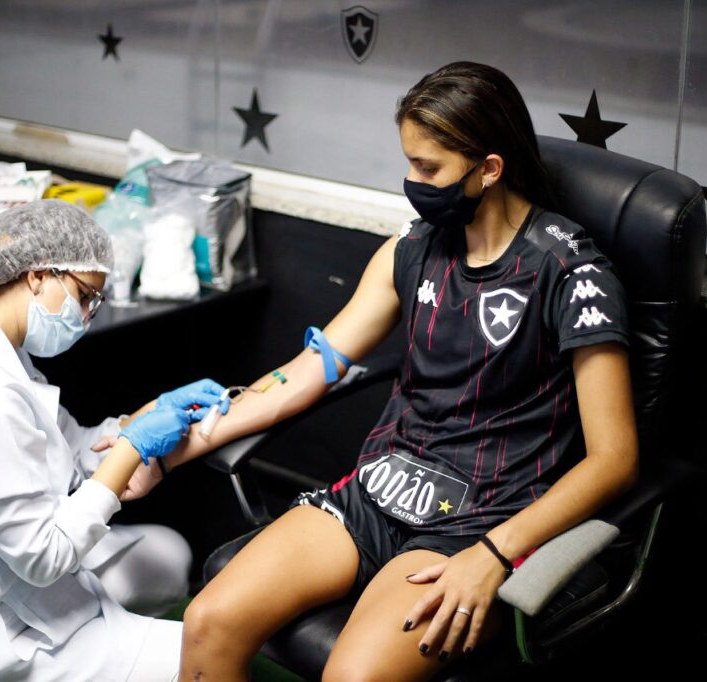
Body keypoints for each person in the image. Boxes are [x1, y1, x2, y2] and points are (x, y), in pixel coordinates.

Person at [165, 62, 639, 681]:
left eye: (429, 168)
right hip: (379, 494)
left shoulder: (571, 273)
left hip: (480, 519)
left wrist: (495, 554)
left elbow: (614, 459)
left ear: (489, 169)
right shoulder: (412, 249)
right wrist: (173, 444)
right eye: (410, 163)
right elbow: (310, 370)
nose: (413, 183)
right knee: (207, 622)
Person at [0, 199, 224, 681]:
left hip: (14, 575)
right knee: (209, 656)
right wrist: (131, 449)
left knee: (167, 555)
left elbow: (70, 446)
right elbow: (42, 558)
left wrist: (148, 415)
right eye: (84, 296)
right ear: (38, 275)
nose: (85, 316)